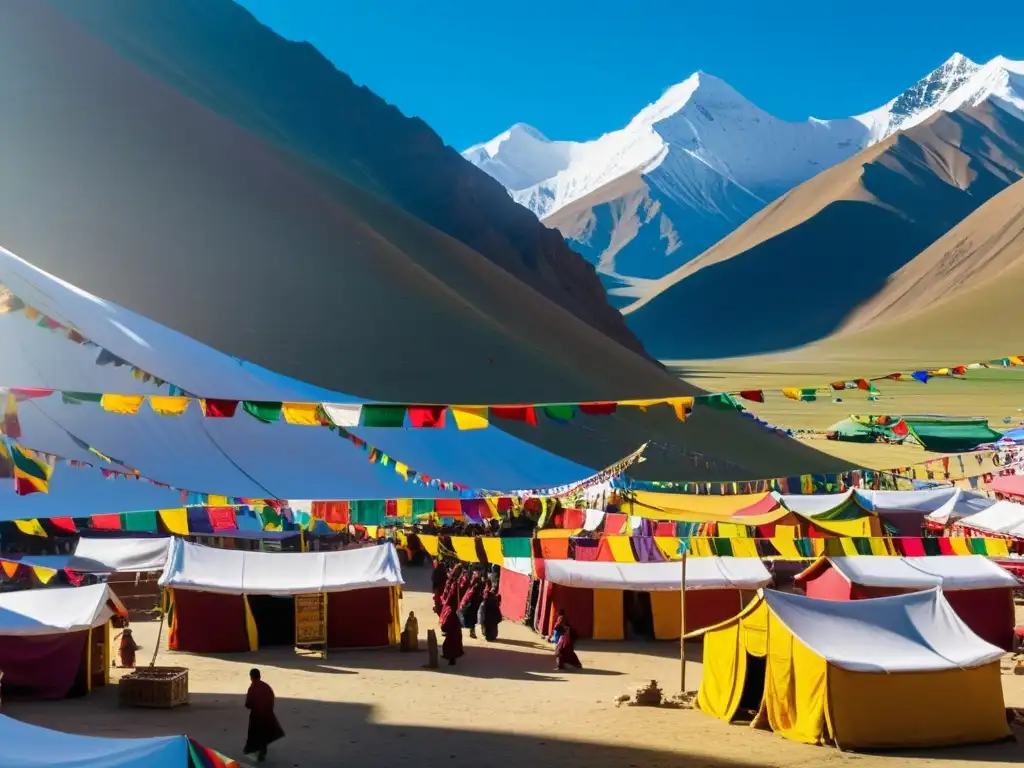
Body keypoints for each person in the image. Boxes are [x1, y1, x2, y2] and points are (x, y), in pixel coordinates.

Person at [244, 668, 285, 762]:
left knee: (255, 734)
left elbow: (248, 704)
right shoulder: (266, 686)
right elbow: (271, 699)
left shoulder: (253, 688)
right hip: (267, 714)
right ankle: (262, 750)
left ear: (251, 677)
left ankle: (254, 750)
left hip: (256, 716)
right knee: (264, 733)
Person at [440, 592, 464, 666]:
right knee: (453, 646)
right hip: (455, 632)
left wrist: (444, 627)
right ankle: (452, 660)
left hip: (452, 633)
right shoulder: (454, 610)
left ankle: (451, 660)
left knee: (449, 646)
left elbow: (448, 621)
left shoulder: (450, 611)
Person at [459, 573, 484, 639]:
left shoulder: (474, 588)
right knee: (472, 619)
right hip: (474, 605)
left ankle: (472, 631)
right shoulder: (477, 587)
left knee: (472, 619)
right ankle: (472, 632)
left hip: (473, 605)